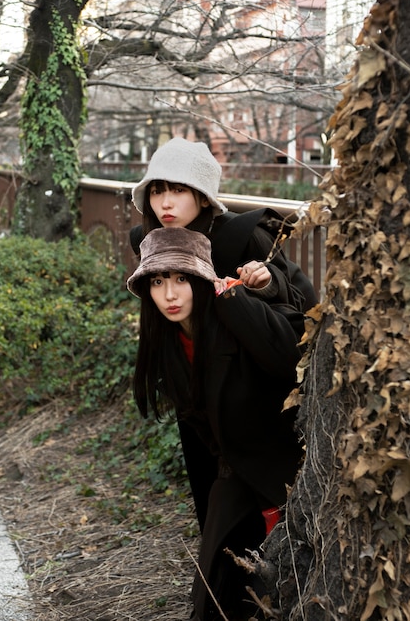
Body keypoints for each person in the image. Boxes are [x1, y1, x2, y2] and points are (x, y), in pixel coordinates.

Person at [127, 226, 305, 621]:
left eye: (181, 279)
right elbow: (203, 426)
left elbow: (291, 354)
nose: (169, 294)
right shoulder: (167, 345)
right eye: (157, 281)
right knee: (213, 596)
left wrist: (236, 300)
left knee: (285, 580)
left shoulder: (233, 314)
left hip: (286, 467)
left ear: (203, 280)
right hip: (238, 472)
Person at [129, 137, 318, 313]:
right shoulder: (147, 240)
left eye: (179, 190)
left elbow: (293, 302)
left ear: (204, 198)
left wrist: (265, 284)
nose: (165, 203)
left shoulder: (242, 235)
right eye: (156, 191)